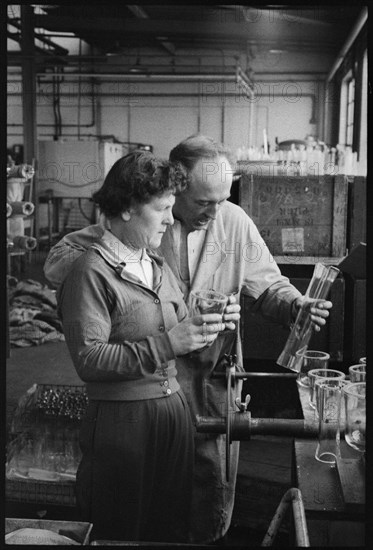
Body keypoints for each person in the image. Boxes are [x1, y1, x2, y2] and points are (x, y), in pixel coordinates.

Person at [45, 135, 332, 544]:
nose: (216, 213)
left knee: (204, 491)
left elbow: (268, 288)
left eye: (222, 199)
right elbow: (59, 268)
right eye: (203, 203)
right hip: (141, 386)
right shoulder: (138, 226)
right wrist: (116, 258)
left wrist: (294, 307)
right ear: (175, 188)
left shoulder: (230, 221)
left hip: (208, 380)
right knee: (129, 506)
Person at [55, 151, 229, 543]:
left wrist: (209, 324)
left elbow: (183, 336)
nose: (171, 219)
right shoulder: (91, 272)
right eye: (163, 208)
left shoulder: (155, 265)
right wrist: (167, 343)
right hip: (123, 422)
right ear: (130, 208)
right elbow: (90, 359)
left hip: (173, 413)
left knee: (167, 528)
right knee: (119, 529)